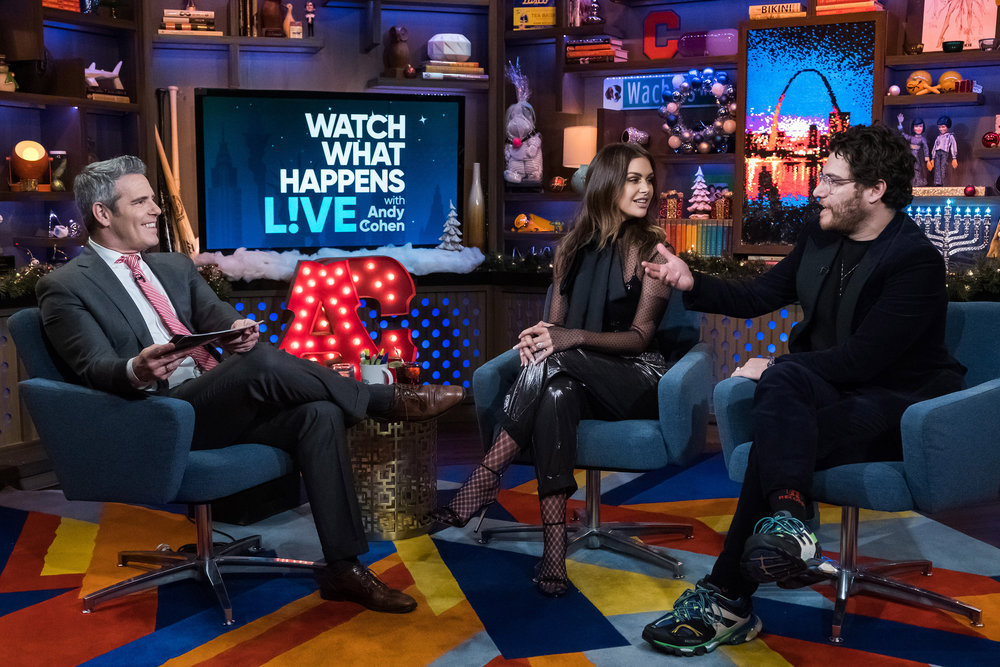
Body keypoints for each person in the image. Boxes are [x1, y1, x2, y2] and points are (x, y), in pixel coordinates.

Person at [35, 156, 465, 615]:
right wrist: (137, 369)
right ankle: (381, 398)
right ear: (103, 214)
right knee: (262, 366)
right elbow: (94, 366)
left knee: (317, 414)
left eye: (154, 200)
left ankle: (344, 567)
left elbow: (220, 323)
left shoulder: (174, 267)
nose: (157, 210)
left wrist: (239, 331)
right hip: (153, 418)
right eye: (141, 201)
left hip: (212, 406)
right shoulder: (65, 286)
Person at [639, 123, 965, 656]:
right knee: (786, 394)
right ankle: (787, 524)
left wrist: (773, 369)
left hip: (899, 402)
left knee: (778, 418)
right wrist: (690, 281)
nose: (817, 190)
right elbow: (759, 294)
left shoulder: (914, 260)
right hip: (834, 390)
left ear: (875, 190)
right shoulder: (819, 236)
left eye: (833, 181)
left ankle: (729, 598)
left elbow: (865, 361)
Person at [430, 142, 674, 596]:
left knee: (556, 361)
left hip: (636, 375)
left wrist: (567, 339)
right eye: (633, 179)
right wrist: (536, 336)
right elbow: (555, 325)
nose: (646, 189)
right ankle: (555, 554)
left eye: (649, 180)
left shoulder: (654, 251)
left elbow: (640, 337)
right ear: (606, 185)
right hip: (575, 377)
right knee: (555, 394)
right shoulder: (570, 249)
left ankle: (485, 478)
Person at [896, 113, 929, 187]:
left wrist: (927, 159)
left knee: (917, 169)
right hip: (910, 156)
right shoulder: (911, 138)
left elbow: (926, 148)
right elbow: (902, 134)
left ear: (923, 127)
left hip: (918, 157)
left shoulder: (922, 139)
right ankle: (911, 183)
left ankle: (918, 182)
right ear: (913, 127)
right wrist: (900, 123)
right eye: (916, 126)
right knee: (910, 169)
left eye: (920, 126)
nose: (918, 128)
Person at [930, 115, 958, 186]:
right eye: (939, 127)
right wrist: (932, 158)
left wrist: (954, 157)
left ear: (947, 127)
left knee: (943, 167)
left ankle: (943, 182)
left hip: (944, 153)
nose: (941, 129)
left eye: (943, 127)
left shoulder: (950, 136)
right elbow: (935, 147)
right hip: (937, 153)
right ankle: (937, 182)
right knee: (937, 168)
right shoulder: (938, 137)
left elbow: (953, 146)